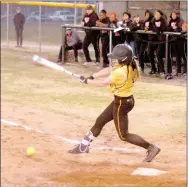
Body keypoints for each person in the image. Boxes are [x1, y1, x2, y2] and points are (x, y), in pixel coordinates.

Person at [68, 43, 161, 163]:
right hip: (123, 100)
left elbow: (104, 83)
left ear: (123, 59)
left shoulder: (120, 73)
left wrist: (86, 82)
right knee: (100, 121)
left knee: (123, 135)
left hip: (122, 104)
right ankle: (83, 146)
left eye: (117, 58)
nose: (114, 60)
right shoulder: (129, 65)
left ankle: (151, 147)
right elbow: (108, 69)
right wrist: (91, 76)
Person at [149, 10, 167, 77]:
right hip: (154, 39)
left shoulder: (163, 21)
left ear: (160, 15)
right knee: (151, 53)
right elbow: (152, 28)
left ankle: (162, 70)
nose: (156, 15)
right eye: (155, 14)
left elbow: (163, 29)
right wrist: (157, 28)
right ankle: (155, 69)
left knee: (159, 54)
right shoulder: (153, 20)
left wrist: (158, 29)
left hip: (162, 40)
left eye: (158, 14)